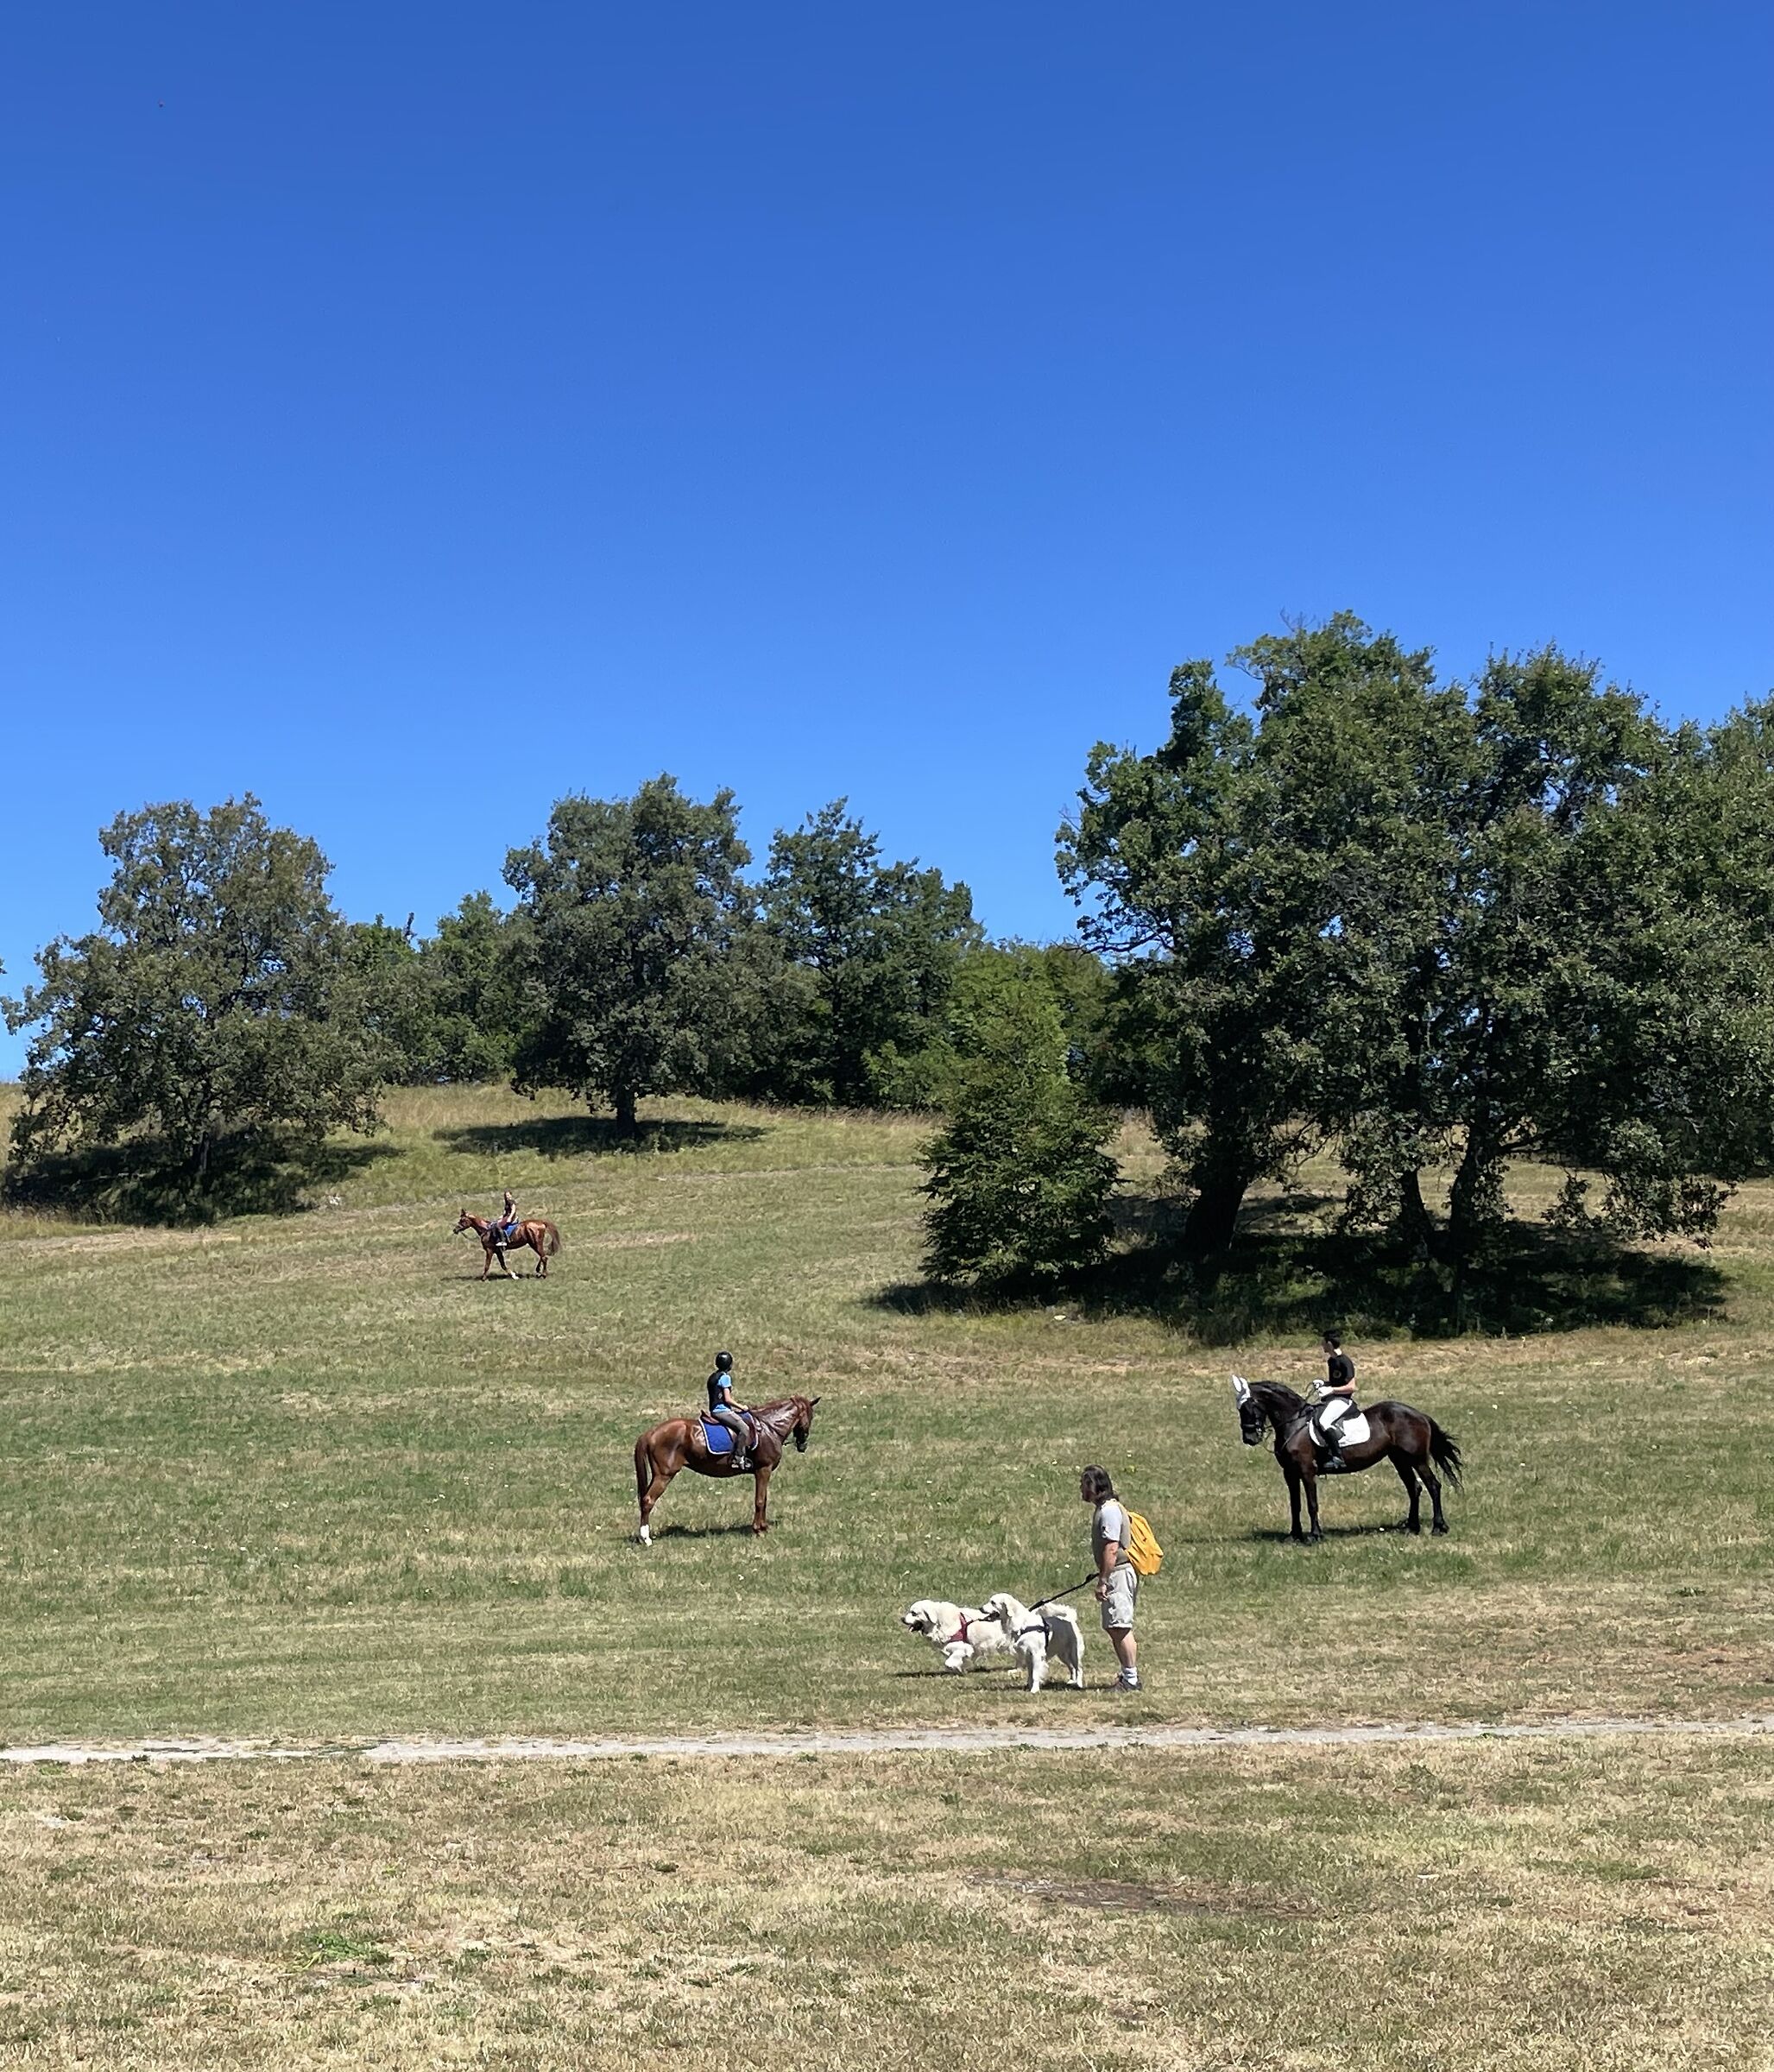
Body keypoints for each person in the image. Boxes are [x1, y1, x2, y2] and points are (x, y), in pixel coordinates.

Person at [1080, 1466, 1140, 1692]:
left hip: (1118, 1575)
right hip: (1117, 1573)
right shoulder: (1107, 1509)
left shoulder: (1109, 1512)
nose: (1082, 1490)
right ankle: (1129, 1676)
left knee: (1119, 1625)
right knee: (1116, 1626)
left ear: (1095, 1486)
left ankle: (1130, 1679)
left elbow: (1112, 1548)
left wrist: (1103, 1580)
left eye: (1085, 1485)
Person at [1311, 1330, 1358, 1469]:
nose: (1322, 1345)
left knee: (1324, 1422)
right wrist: (1324, 1384)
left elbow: (1351, 1387)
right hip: (1333, 1399)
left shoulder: (1345, 1361)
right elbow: (1336, 1382)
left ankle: (1338, 1457)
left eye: (1323, 1343)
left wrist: (1332, 1390)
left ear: (1330, 1344)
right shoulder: (1331, 1361)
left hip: (1343, 1400)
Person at [705, 1350, 752, 1464]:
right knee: (744, 1429)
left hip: (713, 1410)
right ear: (729, 1364)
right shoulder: (725, 1378)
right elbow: (727, 1399)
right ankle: (738, 1458)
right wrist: (742, 1407)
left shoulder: (713, 1376)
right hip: (722, 1411)